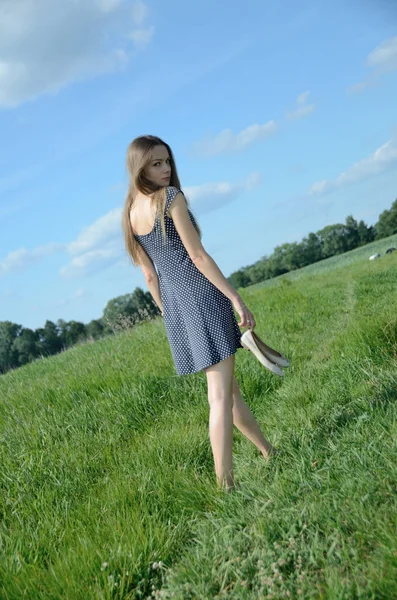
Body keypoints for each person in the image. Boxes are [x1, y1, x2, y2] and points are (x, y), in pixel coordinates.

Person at [121, 135, 275, 492]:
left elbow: (149, 276)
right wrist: (235, 297)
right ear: (139, 168)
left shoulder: (130, 215)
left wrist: (170, 314)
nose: (165, 170)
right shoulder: (170, 198)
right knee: (219, 397)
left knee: (229, 391)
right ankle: (226, 485)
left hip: (177, 307)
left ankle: (268, 452)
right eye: (155, 164)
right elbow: (198, 256)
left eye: (167, 162)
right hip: (203, 296)